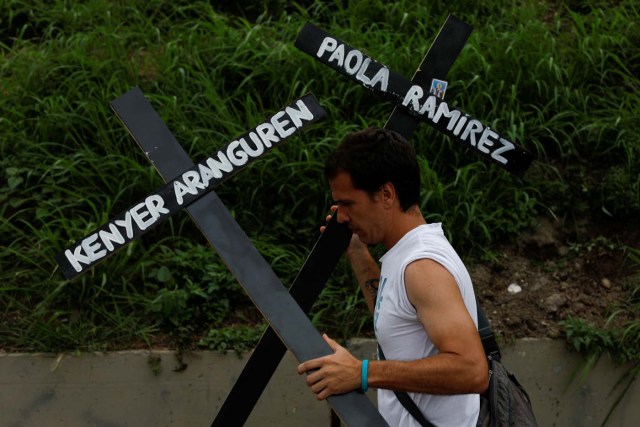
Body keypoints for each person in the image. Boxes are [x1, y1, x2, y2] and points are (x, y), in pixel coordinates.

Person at [297, 127, 488, 426]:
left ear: (386, 194)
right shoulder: (405, 254)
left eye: (348, 204)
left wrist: (361, 373)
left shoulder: (422, 266)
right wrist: (358, 253)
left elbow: (472, 370)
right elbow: (397, 321)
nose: (342, 216)